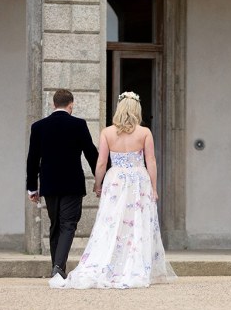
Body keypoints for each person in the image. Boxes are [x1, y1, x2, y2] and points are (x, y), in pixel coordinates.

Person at [49, 91, 176, 289]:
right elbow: (151, 161)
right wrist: (153, 186)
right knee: (137, 223)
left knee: (111, 222)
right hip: (138, 181)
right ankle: (135, 266)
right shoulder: (144, 133)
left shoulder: (107, 132)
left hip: (115, 179)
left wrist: (98, 184)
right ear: (136, 109)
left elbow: (101, 162)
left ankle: (108, 265)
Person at [26, 89, 98, 280]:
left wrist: (32, 187)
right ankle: (58, 267)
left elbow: (32, 159)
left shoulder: (39, 126)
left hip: (49, 184)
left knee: (56, 224)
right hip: (72, 183)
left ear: (53, 104)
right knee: (68, 224)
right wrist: (103, 177)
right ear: (71, 105)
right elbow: (91, 153)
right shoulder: (79, 125)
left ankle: (57, 268)